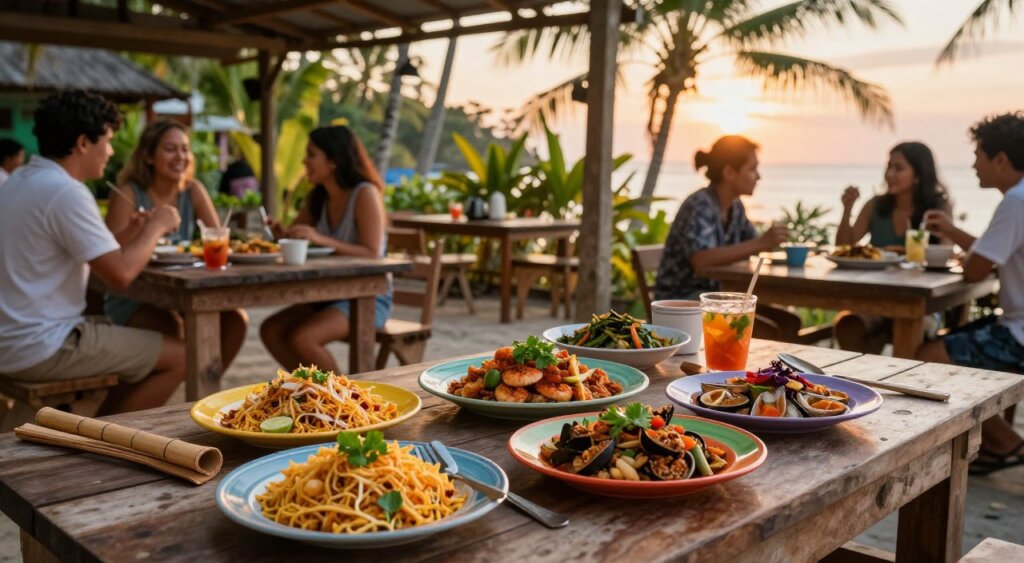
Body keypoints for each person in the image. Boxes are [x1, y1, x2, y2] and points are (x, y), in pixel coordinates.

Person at [0, 90, 184, 414]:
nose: (111, 151)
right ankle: (101, 434)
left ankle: (90, 425)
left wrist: (131, 233)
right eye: (108, 140)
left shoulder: (20, 181)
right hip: (41, 345)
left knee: (155, 334)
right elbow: (121, 275)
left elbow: (86, 251)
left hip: (12, 338)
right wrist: (157, 225)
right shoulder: (66, 191)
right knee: (182, 356)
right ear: (84, 143)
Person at [918, 111, 1024, 475]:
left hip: (1019, 334)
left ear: (1000, 159)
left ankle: (1006, 442)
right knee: (941, 342)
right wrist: (955, 231)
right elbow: (996, 254)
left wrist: (958, 244)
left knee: (926, 356)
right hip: (1015, 325)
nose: (973, 165)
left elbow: (976, 269)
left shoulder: (1016, 201)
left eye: (978, 155)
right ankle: (996, 441)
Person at [104, 120, 248, 369]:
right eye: (170, 149)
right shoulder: (128, 193)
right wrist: (139, 229)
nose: (180, 156)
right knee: (172, 328)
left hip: (181, 294)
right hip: (135, 295)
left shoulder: (192, 191)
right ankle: (190, 382)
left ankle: (205, 383)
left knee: (235, 320)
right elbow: (108, 252)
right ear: (149, 156)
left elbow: (216, 238)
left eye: (185, 149)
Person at [260, 125, 391, 374]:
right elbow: (296, 235)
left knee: (303, 338)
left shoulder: (364, 194)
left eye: (311, 154)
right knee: (271, 330)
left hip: (368, 297)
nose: (304, 161)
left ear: (333, 160)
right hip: (326, 293)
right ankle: (312, 391)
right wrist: (282, 234)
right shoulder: (318, 196)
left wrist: (321, 239)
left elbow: (373, 253)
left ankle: (345, 400)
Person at [833, 142, 953, 352]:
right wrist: (847, 209)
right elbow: (844, 247)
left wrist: (904, 252)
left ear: (918, 175)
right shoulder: (875, 206)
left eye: (898, 168)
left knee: (907, 325)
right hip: (877, 300)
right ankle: (860, 381)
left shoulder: (937, 209)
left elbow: (945, 253)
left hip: (920, 305)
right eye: (888, 167)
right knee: (849, 325)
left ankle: (898, 382)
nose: (889, 174)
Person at [654, 135, 788, 301]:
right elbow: (701, 259)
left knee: (788, 321)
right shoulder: (700, 205)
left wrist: (769, 243)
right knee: (770, 326)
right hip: (682, 303)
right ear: (729, 172)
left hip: (717, 298)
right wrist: (762, 243)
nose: (758, 177)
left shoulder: (735, 207)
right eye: (752, 169)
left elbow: (750, 243)